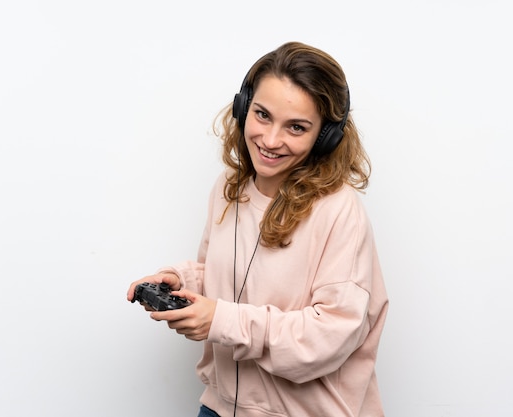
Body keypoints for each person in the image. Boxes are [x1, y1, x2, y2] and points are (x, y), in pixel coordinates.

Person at [127, 41, 389, 417]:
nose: (270, 140)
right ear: (243, 107)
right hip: (220, 408)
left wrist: (220, 320)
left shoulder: (338, 210)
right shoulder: (229, 187)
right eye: (262, 115)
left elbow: (328, 336)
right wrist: (182, 282)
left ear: (326, 135)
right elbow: (224, 275)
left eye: (296, 127)